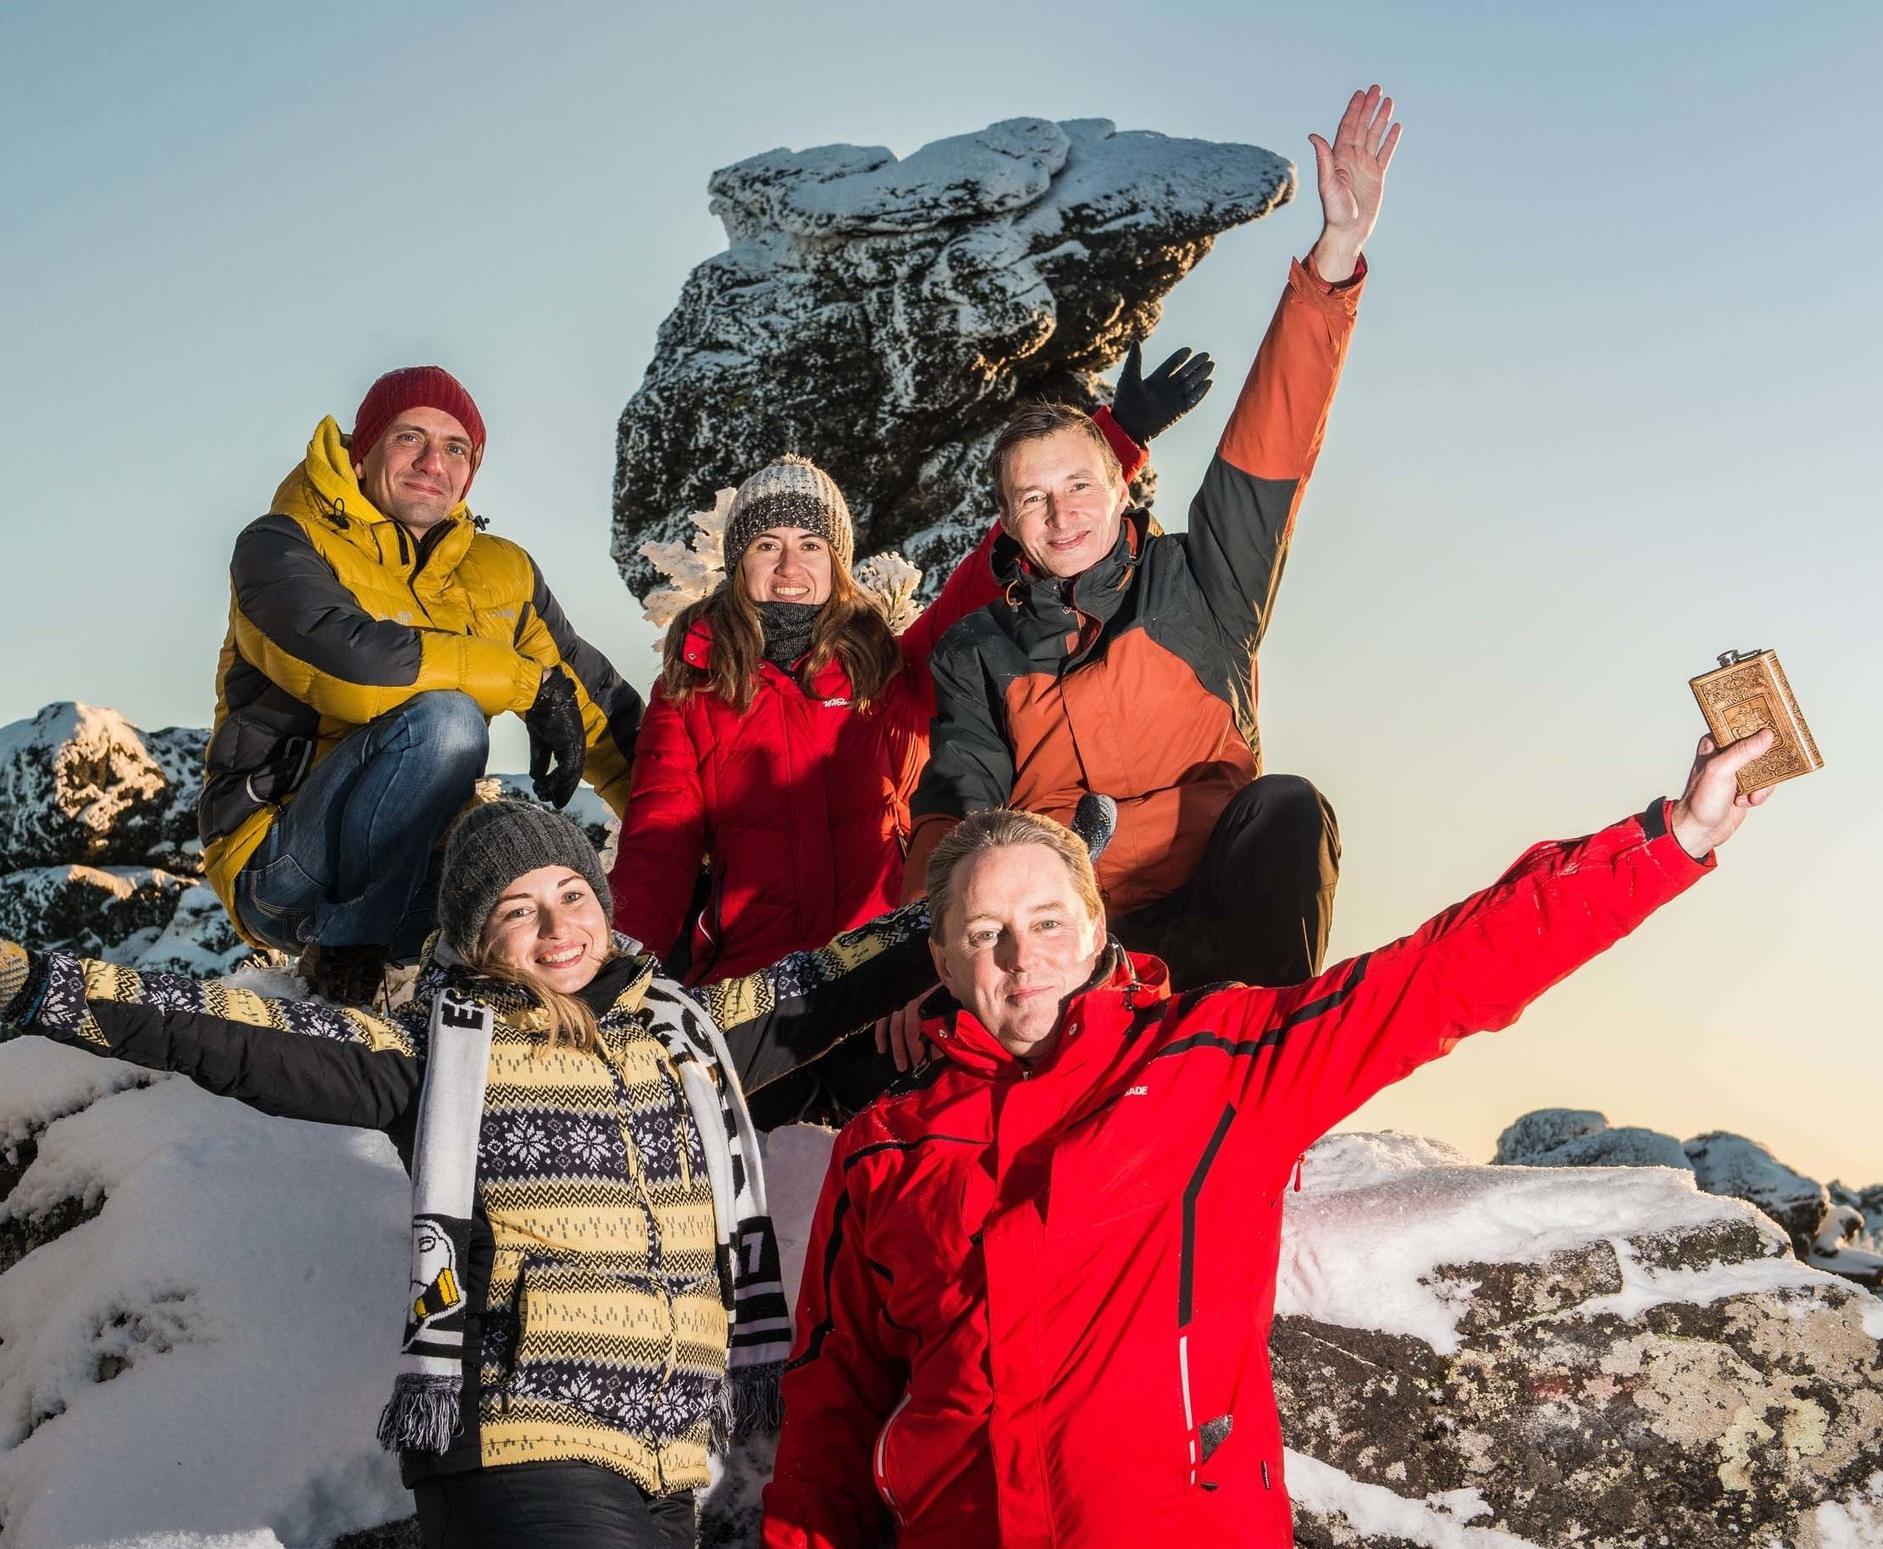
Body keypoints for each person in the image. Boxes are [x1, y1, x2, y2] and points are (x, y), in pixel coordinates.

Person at [751, 726, 1783, 1549]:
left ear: (1096, 926)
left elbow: (1440, 975)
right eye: (986, 934)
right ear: (943, 964)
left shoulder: (1215, 1061)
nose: (1022, 957)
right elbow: (831, 1395)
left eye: (1047, 921)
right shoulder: (883, 1146)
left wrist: (1669, 838)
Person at [0, 798, 939, 1549]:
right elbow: (217, 1027)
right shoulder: (432, 1055)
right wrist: (22, 980)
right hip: (521, 1452)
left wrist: (1013, 887)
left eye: (569, 894)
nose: (555, 925)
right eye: (517, 911)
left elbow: (845, 972)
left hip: (655, 1466)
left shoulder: (690, 1036)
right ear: (478, 941)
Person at [903, 86, 1403, 994]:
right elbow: (955, 815)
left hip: (1216, 911)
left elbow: (1268, 449)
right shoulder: (978, 652)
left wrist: (1333, 262)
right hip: (1079, 941)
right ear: (1009, 524)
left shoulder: (1199, 579)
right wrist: (925, 962)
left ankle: (1261, 1057)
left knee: (1288, 806)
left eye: (1079, 486)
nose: (1063, 515)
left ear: (1120, 483)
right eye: (1034, 499)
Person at [609, 367, 1210, 1120]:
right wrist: (617, 970)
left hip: (886, 988)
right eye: (767, 544)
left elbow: (984, 572)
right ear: (738, 565)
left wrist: (1116, 437)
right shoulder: (692, 692)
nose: (790, 568)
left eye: (811, 545)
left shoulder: (888, 670)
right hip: (756, 993)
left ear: (837, 563)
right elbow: (659, 844)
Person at [198, 365, 644, 1008]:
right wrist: (524, 684)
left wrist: (693, 837)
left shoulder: (502, 571)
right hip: (285, 870)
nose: (433, 461)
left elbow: (599, 708)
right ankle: (348, 968)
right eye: (409, 437)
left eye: (456, 448)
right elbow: (354, 671)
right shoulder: (281, 543)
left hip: (418, 872)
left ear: (470, 472)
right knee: (448, 723)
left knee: (522, 850)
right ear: (362, 453)